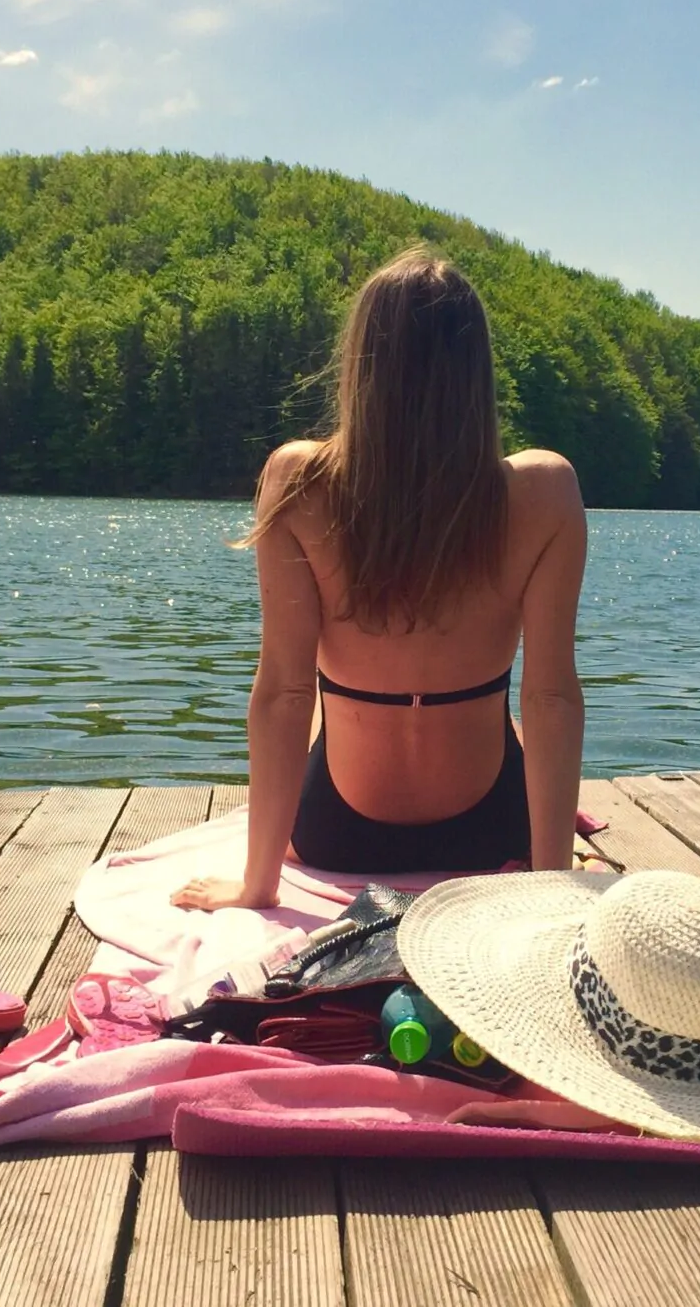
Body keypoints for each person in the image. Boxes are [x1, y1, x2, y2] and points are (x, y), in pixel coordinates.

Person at [173, 249, 588, 910]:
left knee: (315, 711)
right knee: (507, 712)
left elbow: (283, 691)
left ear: (360, 364)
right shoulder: (547, 491)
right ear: (476, 373)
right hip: (490, 830)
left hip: (339, 832)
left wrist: (257, 888)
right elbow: (551, 700)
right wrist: (554, 885)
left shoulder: (299, 480)